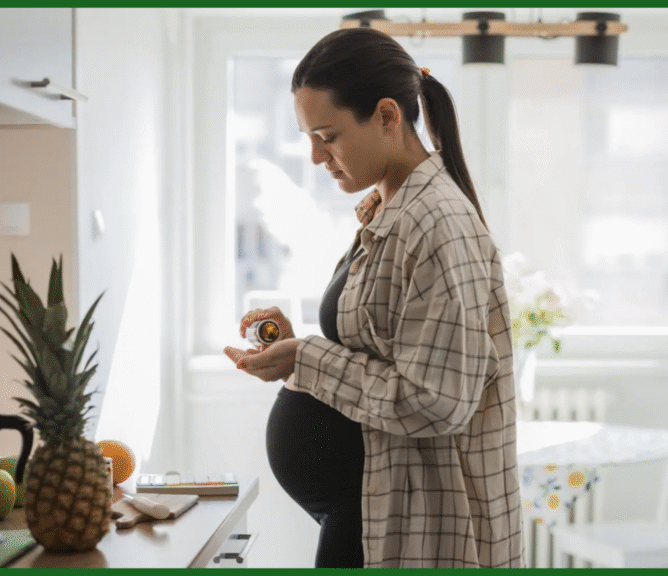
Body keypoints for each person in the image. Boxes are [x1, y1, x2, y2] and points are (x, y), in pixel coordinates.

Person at [223, 26, 522, 568]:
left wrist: (306, 358)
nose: (316, 158)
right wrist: (294, 348)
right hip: (373, 508)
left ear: (387, 117)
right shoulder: (388, 211)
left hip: (416, 524)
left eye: (328, 136)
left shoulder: (438, 224)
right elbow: (377, 354)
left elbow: (437, 401)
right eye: (308, 138)